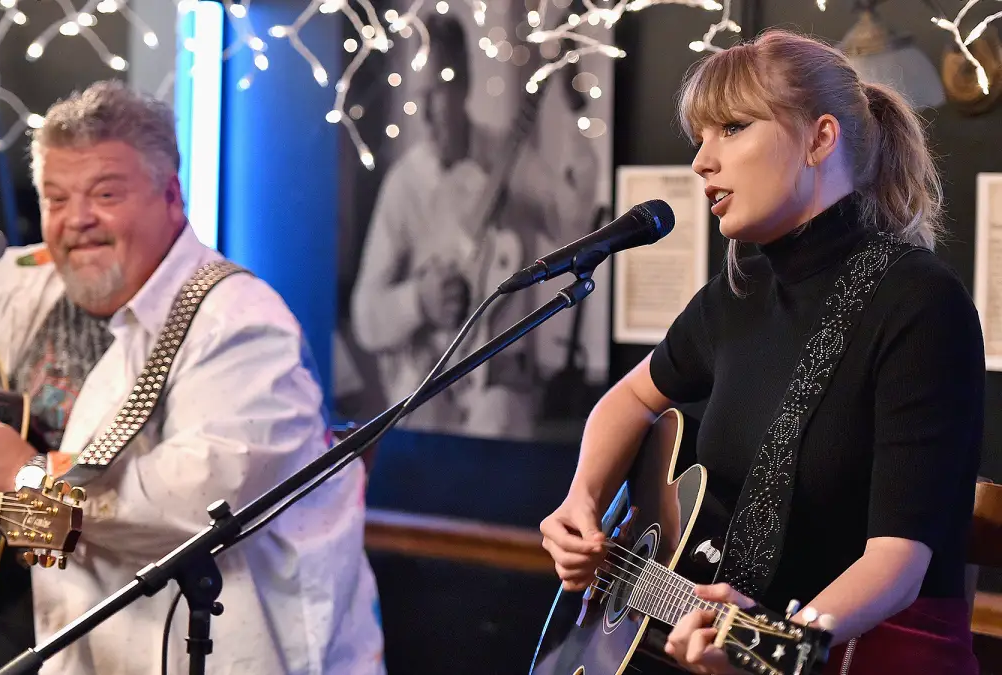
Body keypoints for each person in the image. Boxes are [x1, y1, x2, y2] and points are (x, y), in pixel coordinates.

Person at [0, 80, 385, 675]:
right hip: (19, 597)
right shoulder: (29, 282)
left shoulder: (238, 326)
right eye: (56, 199)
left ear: (171, 196)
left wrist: (24, 474)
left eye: (106, 194)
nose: (77, 220)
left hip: (164, 632)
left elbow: (205, 502)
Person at [539, 29, 982, 675]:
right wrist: (582, 499)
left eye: (732, 128)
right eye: (700, 137)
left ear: (820, 138)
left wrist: (773, 640)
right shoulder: (737, 292)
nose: (701, 161)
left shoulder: (920, 302)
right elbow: (630, 398)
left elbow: (899, 560)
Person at [348, 11, 599, 440]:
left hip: (498, 402)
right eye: (419, 96)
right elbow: (365, 318)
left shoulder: (508, 157)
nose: (426, 114)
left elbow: (574, 223)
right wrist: (419, 301)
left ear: (463, 84)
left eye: (438, 93)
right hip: (422, 403)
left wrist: (575, 106)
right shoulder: (404, 184)